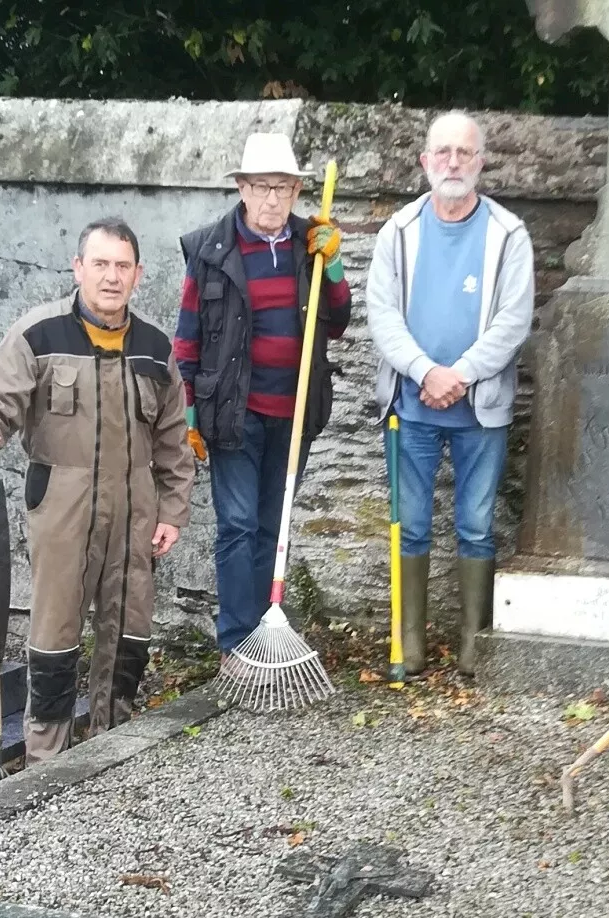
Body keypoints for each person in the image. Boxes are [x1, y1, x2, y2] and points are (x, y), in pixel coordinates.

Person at [0, 218, 195, 766]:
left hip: (135, 515)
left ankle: (114, 742)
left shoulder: (156, 349)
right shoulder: (39, 335)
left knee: (129, 628)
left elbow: (173, 442)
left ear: (137, 274)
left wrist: (174, 512)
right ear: (78, 268)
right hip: (62, 511)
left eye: (122, 266)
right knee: (54, 635)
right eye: (100, 264)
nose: (111, 277)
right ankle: (47, 761)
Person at [365, 110, 534, 677]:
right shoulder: (398, 231)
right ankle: (409, 642)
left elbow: (514, 322)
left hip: (480, 410)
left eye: (465, 152)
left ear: (481, 162)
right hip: (410, 407)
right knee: (409, 522)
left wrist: (457, 374)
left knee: (477, 525)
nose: (453, 162)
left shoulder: (509, 234)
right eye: (443, 152)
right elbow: (382, 315)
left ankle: (472, 643)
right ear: (425, 162)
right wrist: (423, 372)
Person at [173, 133, 352, 662]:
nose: (272, 199)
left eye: (282, 187)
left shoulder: (312, 243)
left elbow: (336, 322)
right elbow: (186, 340)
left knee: (273, 529)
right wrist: (187, 415)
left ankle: (262, 633)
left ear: (296, 191)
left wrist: (335, 269)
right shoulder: (209, 250)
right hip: (233, 414)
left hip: (295, 414)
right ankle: (235, 644)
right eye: (261, 187)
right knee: (237, 525)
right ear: (243, 189)